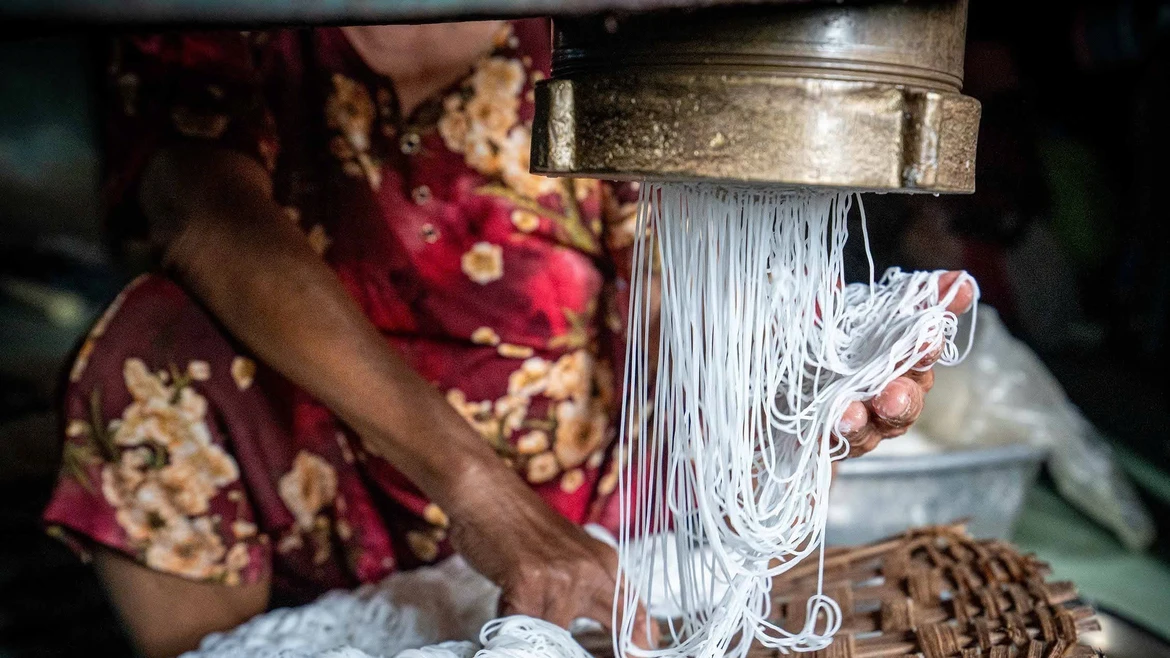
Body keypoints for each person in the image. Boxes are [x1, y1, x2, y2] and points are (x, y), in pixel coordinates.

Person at [41, 19, 975, 658]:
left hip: (576, 500)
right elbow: (204, 220)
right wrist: (484, 497)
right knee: (145, 348)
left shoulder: (580, 41)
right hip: (319, 495)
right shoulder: (232, 25)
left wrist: (777, 388)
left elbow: (656, 285)